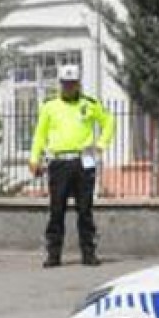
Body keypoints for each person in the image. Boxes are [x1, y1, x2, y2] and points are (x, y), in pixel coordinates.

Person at [28, 64, 115, 268]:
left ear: (78, 84)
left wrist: (100, 146)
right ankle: (54, 254)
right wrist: (34, 158)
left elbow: (109, 122)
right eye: (65, 83)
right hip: (59, 162)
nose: (68, 87)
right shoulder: (50, 106)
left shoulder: (90, 104)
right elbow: (39, 135)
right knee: (56, 209)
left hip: (84, 160)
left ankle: (89, 253)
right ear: (60, 84)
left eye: (72, 83)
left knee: (85, 209)